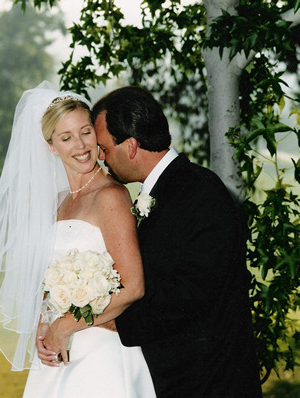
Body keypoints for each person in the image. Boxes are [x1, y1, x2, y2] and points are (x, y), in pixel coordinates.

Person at [0, 81, 156, 397]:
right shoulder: (58, 203)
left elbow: (134, 286)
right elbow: (48, 281)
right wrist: (44, 325)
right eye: (66, 137)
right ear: (51, 146)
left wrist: (65, 325)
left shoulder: (110, 196)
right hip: (57, 353)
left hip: (102, 353)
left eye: (86, 132)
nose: (80, 145)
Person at [88, 86, 263, 397]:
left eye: (104, 149)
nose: (101, 158)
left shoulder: (201, 193)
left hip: (210, 382)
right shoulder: (167, 190)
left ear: (130, 146)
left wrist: (118, 323)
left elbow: (193, 291)